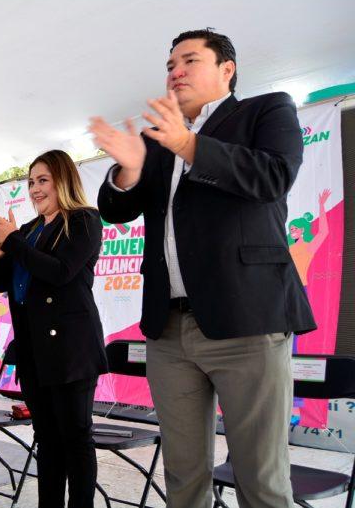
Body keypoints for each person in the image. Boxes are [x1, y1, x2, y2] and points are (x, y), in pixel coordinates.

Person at [90, 29, 316, 508]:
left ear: (227, 69)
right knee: (183, 476)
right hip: (169, 329)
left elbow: (274, 176)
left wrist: (189, 145)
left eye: (189, 61)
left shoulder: (266, 109)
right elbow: (115, 210)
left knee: (260, 479)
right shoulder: (159, 141)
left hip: (247, 321)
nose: (175, 72)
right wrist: (129, 171)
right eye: (170, 65)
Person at [0, 150, 108, 508]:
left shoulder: (84, 220)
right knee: (48, 439)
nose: (35, 189)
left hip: (71, 349)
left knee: (76, 439)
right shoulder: (27, 230)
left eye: (42, 180)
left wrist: (12, 242)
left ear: (63, 180)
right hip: (34, 350)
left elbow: (59, 272)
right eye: (30, 182)